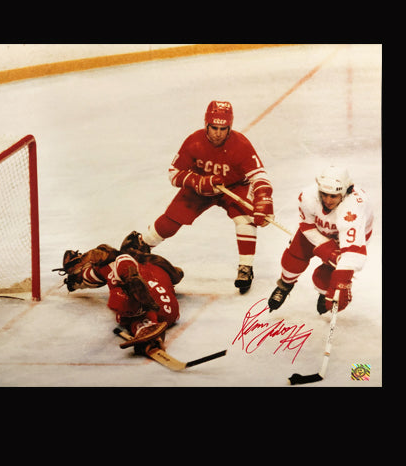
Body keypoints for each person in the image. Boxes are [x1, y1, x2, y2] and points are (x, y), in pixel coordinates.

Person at [138, 100, 274, 294]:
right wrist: (197, 181)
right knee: (170, 222)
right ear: (206, 125)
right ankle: (142, 244)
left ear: (230, 127)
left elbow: (259, 175)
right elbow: (173, 173)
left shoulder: (241, 144)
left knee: (245, 219)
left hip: (234, 186)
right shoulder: (194, 141)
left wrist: (263, 199)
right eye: (214, 128)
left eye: (223, 128)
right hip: (200, 186)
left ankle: (246, 267)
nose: (218, 133)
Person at [268, 165, 374, 314]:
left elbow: (353, 252)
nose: (327, 200)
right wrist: (326, 247)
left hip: (344, 240)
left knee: (326, 277)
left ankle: (324, 293)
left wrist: (342, 282)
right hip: (318, 229)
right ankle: (285, 285)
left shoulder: (354, 207)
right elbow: (306, 226)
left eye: (333, 196)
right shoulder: (308, 196)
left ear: (345, 192)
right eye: (324, 194)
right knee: (294, 258)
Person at [54, 231, 184, 351]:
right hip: (170, 310)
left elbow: (101, 255)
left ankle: (146, 327)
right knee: (125, 283)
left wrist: (79, 269)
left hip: (151, 310)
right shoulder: (158, 263)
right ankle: (149, 329)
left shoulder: (119, 261)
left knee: (120, 293)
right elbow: (178, 274)